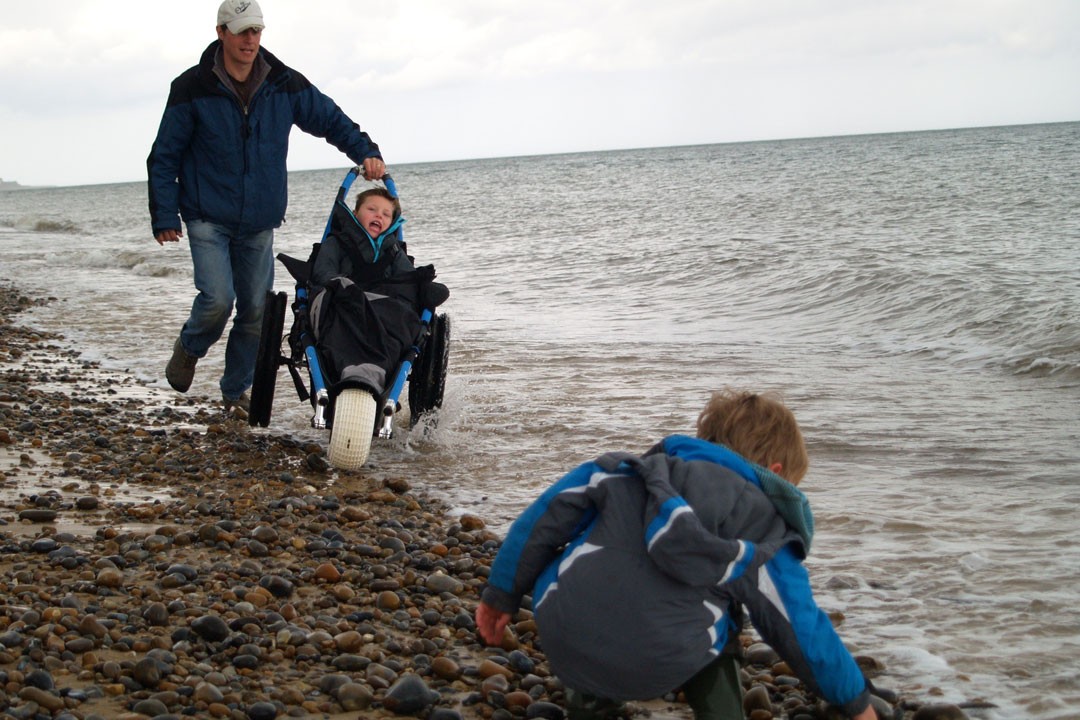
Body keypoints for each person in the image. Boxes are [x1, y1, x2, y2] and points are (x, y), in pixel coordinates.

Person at [475, 389, 878, 720]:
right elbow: (799, 627)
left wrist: (501, 594)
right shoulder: (763, 526)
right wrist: (855, 700)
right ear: (774, 470)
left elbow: (541, 519)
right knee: (728, 614)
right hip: (657, 657)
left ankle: (590, 705)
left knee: (581, 549)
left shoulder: (629, 472)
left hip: (567, 637)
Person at [148, 0, 386, 417]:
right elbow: (164, 156)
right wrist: (165, 215)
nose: (250, 39)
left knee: (256, 310)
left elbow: (328, 118)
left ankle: (234, 392)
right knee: (218, 299)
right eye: (241, 31)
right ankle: (190, 346)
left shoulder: (283, 82)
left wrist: (365, 151)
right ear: (221, 32)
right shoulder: (191, 87)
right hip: (207, 214)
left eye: (256, 30)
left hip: (258, 219)